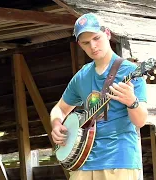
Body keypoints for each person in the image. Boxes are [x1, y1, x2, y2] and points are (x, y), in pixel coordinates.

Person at [50, 13, 148, 180]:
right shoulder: (81, 76)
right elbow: (59, 108)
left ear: (107, 34)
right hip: (83, 161)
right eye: (86, 43)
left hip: (119, 160)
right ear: (80, 45)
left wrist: (132, 102)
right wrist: (56, 123)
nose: (93, 46)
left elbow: (140, 121)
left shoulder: (130, 72)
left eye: (97, 38)